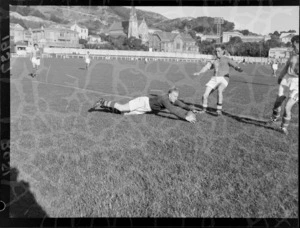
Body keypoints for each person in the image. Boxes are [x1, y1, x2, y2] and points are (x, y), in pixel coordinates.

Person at [91, 87, 199, 123]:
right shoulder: (165, 99)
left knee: (124, 114)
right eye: (174, 96)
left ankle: (105, 107)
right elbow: (173, 110)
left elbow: (181, 104)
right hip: (142, 102)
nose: (176, 98)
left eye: (176, 96)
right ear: (169, 94)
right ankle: (102, 102)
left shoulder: (172, 99)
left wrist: (192, 109)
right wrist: (186, 117)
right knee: (122, 107)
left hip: (145, 108)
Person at [193, 45, 243, 115]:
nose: (217, 52)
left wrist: (238, 68)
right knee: (205, 95)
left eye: (218, 51)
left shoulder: (226, 59)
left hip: (224, 78)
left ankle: (218, 110)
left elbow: (234, 64)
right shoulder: (213, 60)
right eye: (216, 51)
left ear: (223, 51)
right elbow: (206, 67)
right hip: (214, 79)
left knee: (220, 90)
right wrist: (199, 72)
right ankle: (204, 110)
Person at [268, 35, 299, 135]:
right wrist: (280, 77)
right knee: (278, 103)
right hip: (286, 80)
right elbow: (286, 67)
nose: (293, 47)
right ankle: (274, 118)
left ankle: (283, 127)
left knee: (287, 107)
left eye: (294, 44)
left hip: (297, 84)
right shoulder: (293, 55)